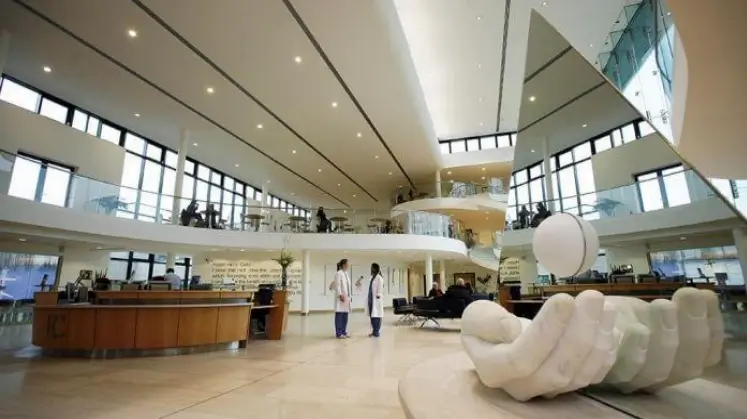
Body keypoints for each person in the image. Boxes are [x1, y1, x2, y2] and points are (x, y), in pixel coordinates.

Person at [333, 259, 352, 339]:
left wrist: (350, 297)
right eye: (348, 264)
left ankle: (344, 332)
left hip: (347, 298)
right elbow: (337, 285)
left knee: (345, 316)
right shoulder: (338, 273)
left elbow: (348, 286)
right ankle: (339, 333)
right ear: (344, 265)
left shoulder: (346, 274)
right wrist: (340, 294)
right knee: (339, 315)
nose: (349, 265)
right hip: (341, 298)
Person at [365, 263, 384, 338]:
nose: (371, 269)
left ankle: (376, 332)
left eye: (372, 267)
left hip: (376, 299)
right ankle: (374, 331)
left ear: (376, 268)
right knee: (372, 316)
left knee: (376, 316)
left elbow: (380, 287)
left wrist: (378, 294)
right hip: (371, 299)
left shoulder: (379, 278)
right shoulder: (372, 277)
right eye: (371, 267)